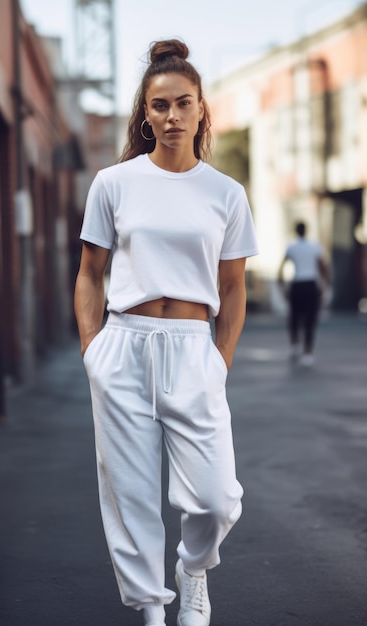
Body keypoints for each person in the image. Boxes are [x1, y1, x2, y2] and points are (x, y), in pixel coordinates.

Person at [74, 39, 258, 626]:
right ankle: (153, 613)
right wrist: (92, 351)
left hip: (192, 351)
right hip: (124, 346)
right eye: (160, 105)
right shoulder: (113, 183)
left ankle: (193, 568)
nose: (172, 115)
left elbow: (233, 290)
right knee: (129, 498)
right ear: (145, 113)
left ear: (203, 108)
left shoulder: (226, 194)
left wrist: (217, 364)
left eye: (183, 103)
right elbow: (89, 274)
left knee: (216, 497)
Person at [278, 221, 329, 367]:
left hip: (297, 284)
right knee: (310, 319)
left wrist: (282, 287)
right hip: (311, 285)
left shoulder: (291, 247)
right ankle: (308, 352)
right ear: (306, 231)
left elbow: (281, 269)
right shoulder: (315, 247)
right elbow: (323, 267)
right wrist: (324, 285)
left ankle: (295, 344)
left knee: (294, 316)